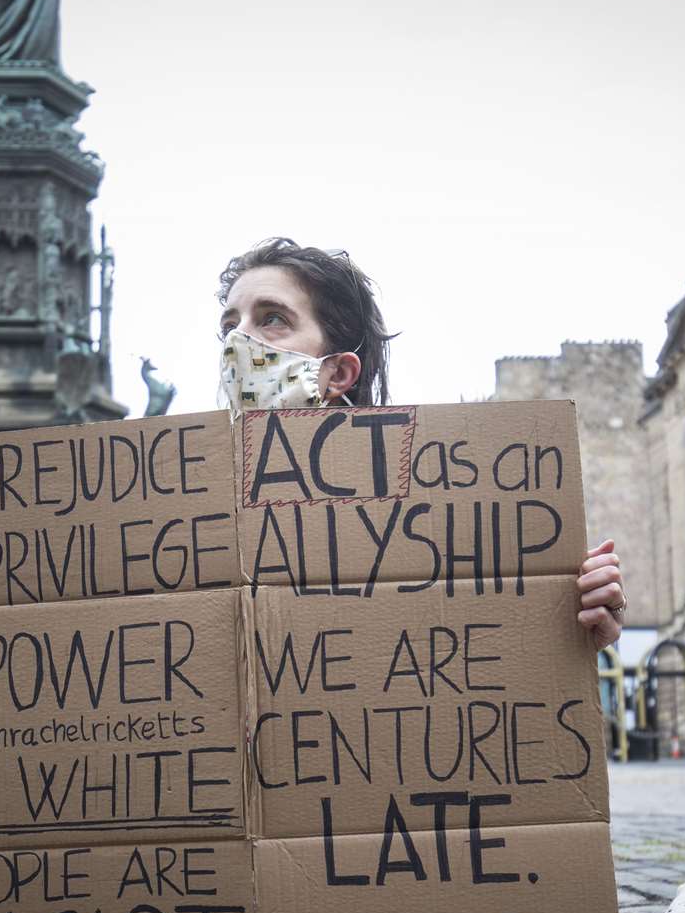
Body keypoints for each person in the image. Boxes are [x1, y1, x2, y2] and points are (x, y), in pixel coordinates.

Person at [216, 238, 628, 650]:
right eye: (229, 326)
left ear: (339, 372)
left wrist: (565, 621)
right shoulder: (195, 513)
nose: (239, 341)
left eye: (272, 319)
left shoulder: (440, 508)